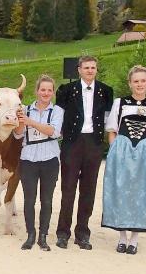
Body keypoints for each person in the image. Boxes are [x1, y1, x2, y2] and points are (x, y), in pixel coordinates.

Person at [102, 66, 146, 255]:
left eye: (143, 81)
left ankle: (135, 239)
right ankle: (122, 237)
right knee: (121, 190)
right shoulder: (120, 103)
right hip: (122, 150)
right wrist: (114, 151)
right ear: (130, 83)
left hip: (143, 153)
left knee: (141, 193)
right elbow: (112, 130)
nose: (139, 84)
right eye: (136, 81)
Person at [55, 55, 113, 250]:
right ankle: (63, 233)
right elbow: (59, 116)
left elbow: (108, 119)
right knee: (68, 189)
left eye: (93, 67)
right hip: (72, 142)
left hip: (94, 143)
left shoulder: (106, 91)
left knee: (88, 190)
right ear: (78, 70)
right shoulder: (66, 90)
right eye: (86, 67)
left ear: (96, 70)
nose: (90, 70)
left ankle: (82, 234)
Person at [15, 75, 64, 252]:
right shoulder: (25, 109)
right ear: (37, 91)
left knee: (47, 200)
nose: (46, 93)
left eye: (49, 90)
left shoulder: (57, 111)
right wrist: (20, 122)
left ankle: (43, 236)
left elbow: (53, 132)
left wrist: (31, 122)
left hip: (50, 159)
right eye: (42, 90)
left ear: (53, 92)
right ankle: (30, 235)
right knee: (29, 199)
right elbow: (18, 134)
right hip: (28, 159)